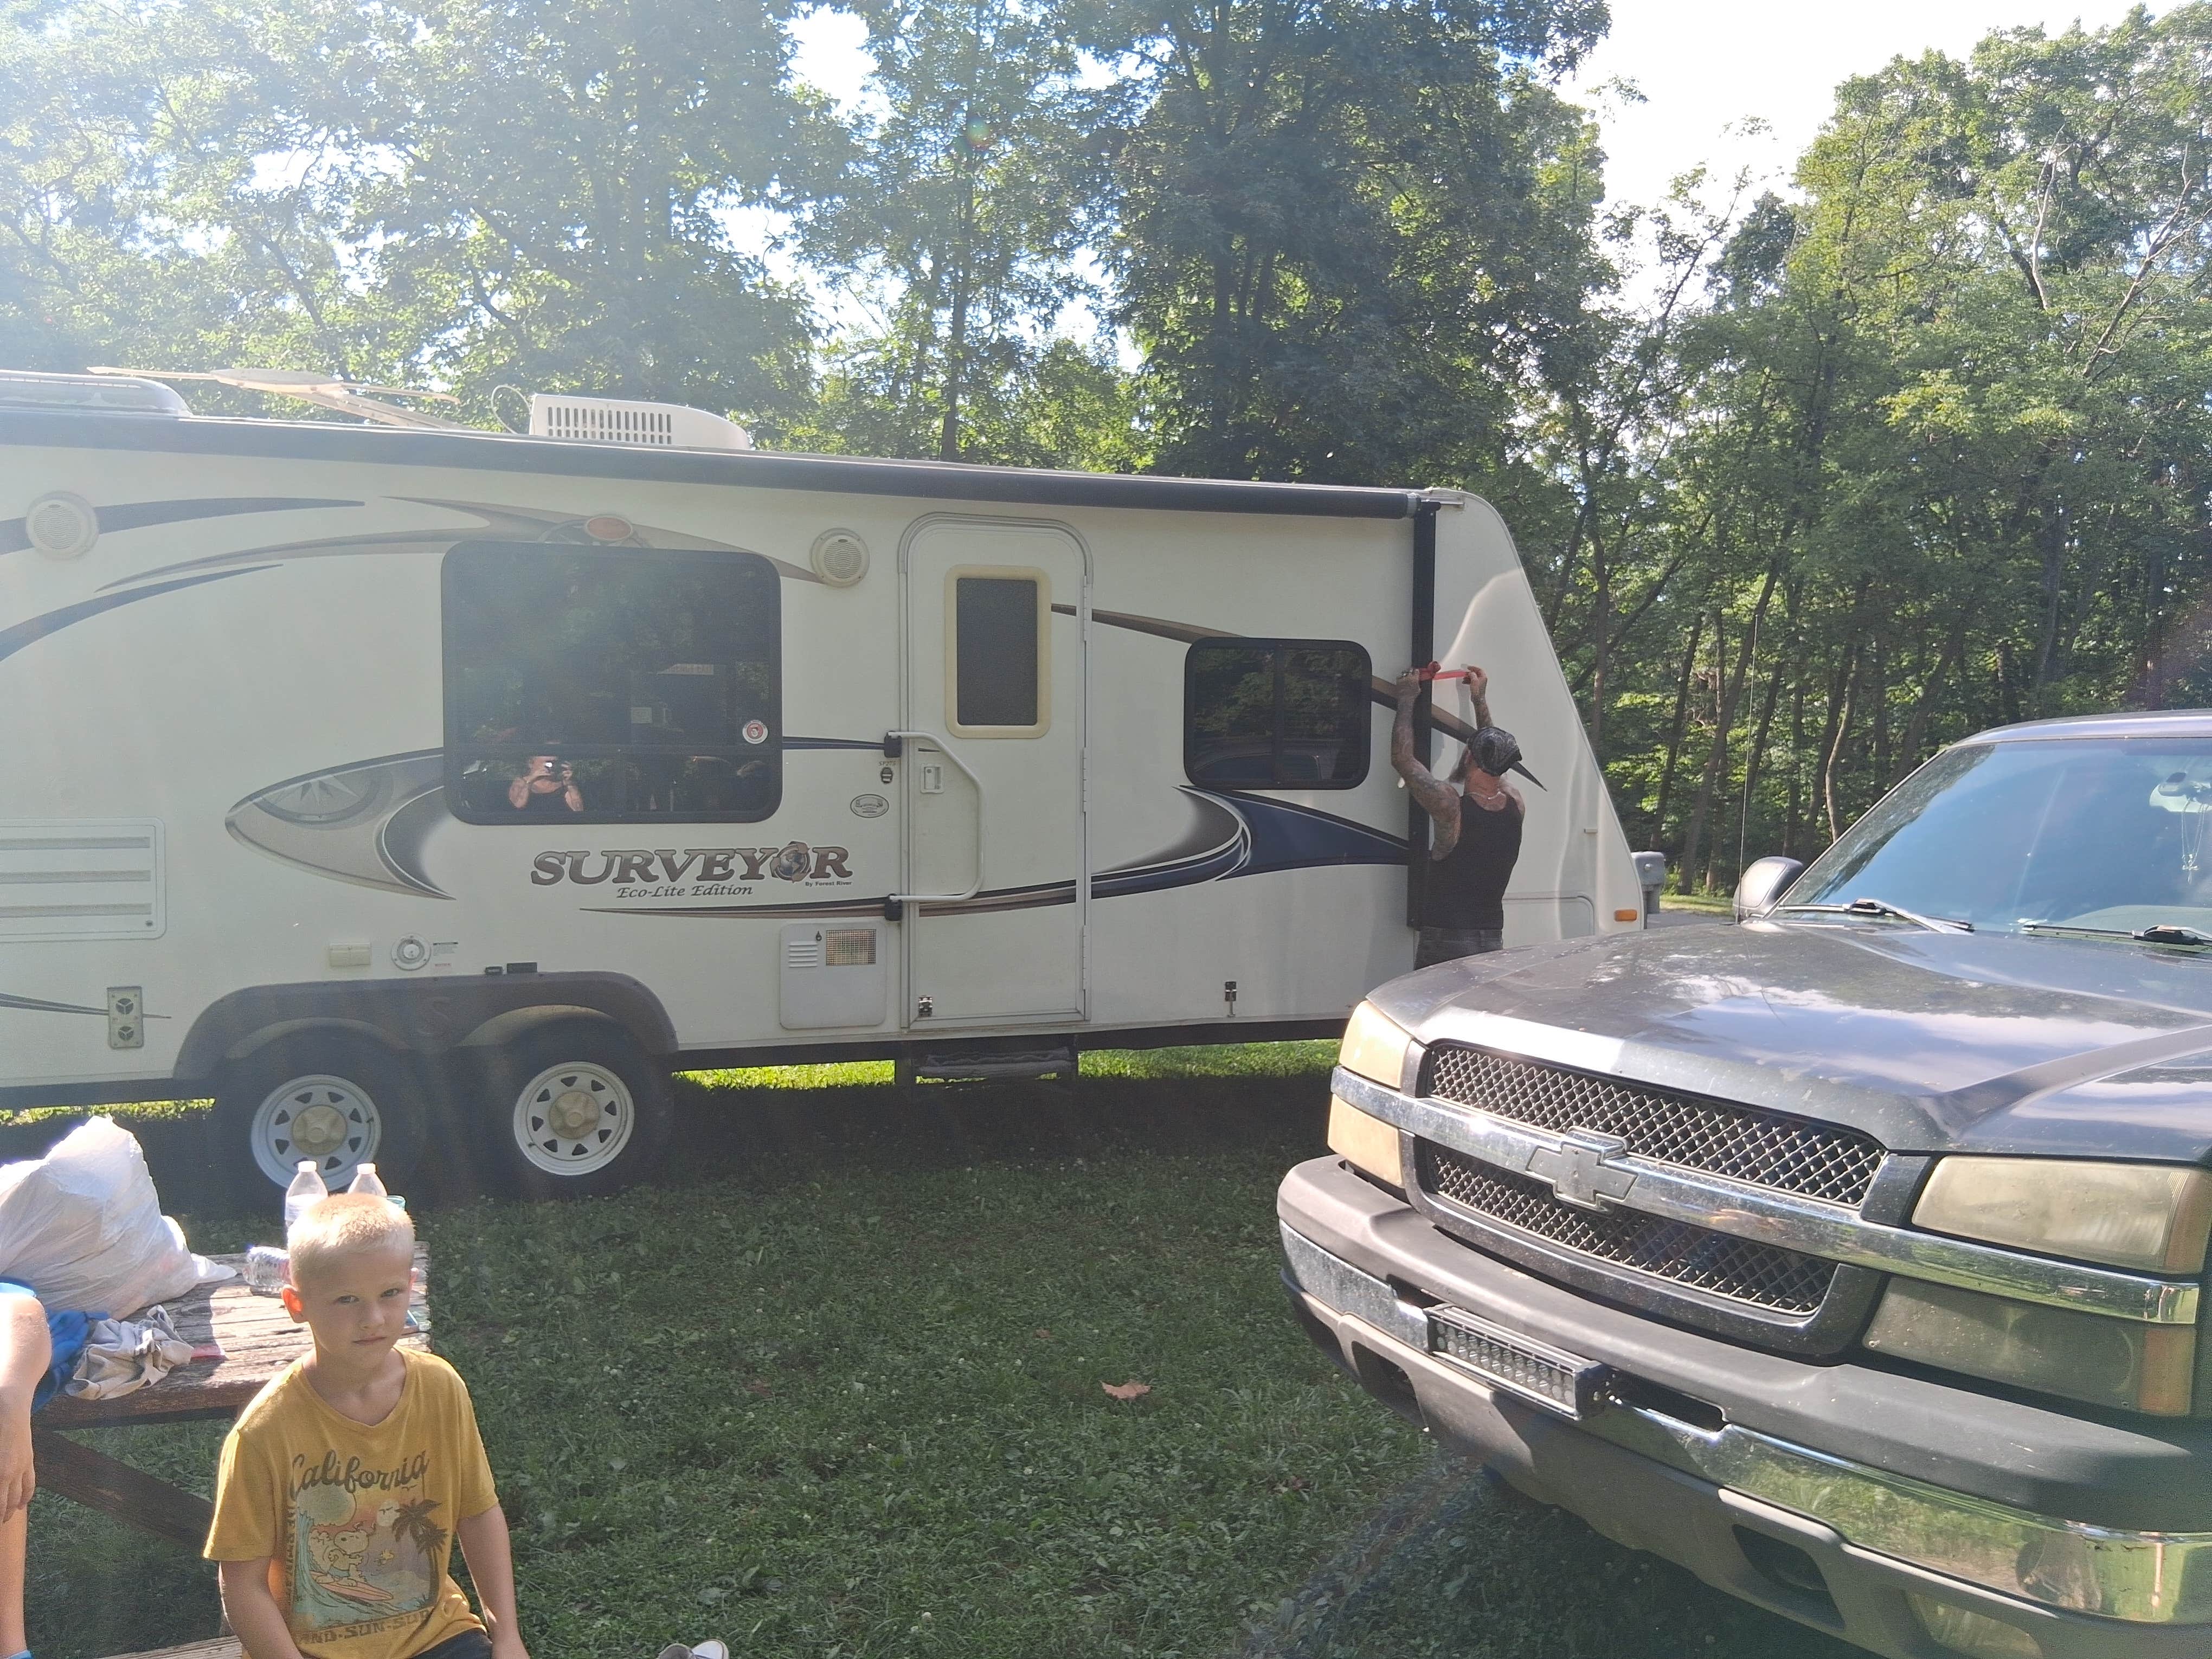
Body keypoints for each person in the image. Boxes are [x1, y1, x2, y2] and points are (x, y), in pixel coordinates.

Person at [205, 1195, 526, 1659]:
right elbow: (241, 1584)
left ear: (411, 1286)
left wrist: (508, 1637)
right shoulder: (264, 1432)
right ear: (297, 1303)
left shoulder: (440, 1389)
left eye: (390, 1294)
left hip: (437, 1636)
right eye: (347, 1299)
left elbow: (478, 1514)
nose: (372, 1319)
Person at [1393, 664, 1529, 967]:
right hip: (1492, 940)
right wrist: (1478, 700)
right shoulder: (1515, 805)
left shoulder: (1452, 807)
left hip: (1446, 944)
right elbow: (1492, 750)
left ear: (1468, 756)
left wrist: (1405, 698)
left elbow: (1404, 761)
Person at [507, 756, 582, 814]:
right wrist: (530, 781)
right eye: (548, 763)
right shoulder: (520, 783)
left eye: (554, 763)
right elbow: (518, 806)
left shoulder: (565, 786)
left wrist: (570, 784)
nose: (551, 766)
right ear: (531, 763)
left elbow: (579, 811)